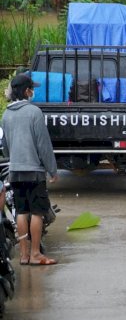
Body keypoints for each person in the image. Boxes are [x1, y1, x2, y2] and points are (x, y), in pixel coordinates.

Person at [2, 74, 58, 266]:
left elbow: (5, 147)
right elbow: (44, 145)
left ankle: (24, 255)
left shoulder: (6, 114)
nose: (33, 91)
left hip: (15, 171)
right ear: (27, 91)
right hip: (33, 171)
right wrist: (52, 170)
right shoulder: (34, 112)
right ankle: (36, 254)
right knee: (37, 212)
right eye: (31, 88)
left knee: (21, 211)